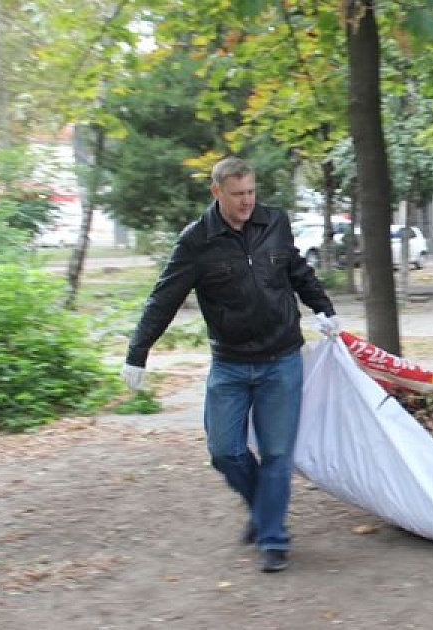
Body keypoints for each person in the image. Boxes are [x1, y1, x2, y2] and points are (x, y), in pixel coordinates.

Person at [119, 157, 340, 573]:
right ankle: (263, 508)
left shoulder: (275, 223)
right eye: (238, 194)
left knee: (276, 453)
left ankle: (273, 539)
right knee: (225, 452)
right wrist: (137, 352)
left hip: (281, 359)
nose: (247, 202)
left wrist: (323, 308)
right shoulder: (196, 241)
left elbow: (297, 270)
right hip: (231, 364)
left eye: (251, 192)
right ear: (216, 191)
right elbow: (163, 299)